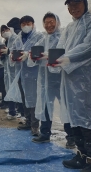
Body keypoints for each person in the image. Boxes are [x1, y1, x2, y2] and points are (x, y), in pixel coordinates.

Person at [54, 0, 91, 172]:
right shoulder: (70, 27)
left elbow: (89, 47)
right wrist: (49, 57)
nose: (73, 8)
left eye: (77, 4)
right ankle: (81, 155)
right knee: (74, 119)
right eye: (70, 5)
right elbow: (60, 48)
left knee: (87, 120)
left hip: (85, 82)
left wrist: (67, 59)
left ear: (84, 3)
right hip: (69, 81)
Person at [27, 12, 75, 149]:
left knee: (65, 108)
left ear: (57, 22)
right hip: (45, 81)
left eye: (51, 22)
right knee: (46, 106)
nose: (49, 25)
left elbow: (66, 54)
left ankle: (71, 137)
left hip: (61, 80)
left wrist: (49, 56)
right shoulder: (43, 38)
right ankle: (45, 134)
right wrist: (33, 56)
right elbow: (34, 53)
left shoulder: (63, 37)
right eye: (46, 22)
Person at [5, 15, 44, 136]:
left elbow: (40, 51)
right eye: (23, 24)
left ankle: (35, 125)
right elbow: (12, 50)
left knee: (33, 100)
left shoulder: (39, 37)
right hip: (21, 73)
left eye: (28, 23)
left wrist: (29, 54)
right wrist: (12, 56)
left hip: (34, 73)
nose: (26, 26)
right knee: (24, 98)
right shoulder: (18, 38)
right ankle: (28, 121)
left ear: (33, 24)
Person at [0, 25, 18, 114]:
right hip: (8, 71)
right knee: (9, 90)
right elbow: (4, 60)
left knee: (16, 90)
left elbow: (19, 51)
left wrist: (9, 51)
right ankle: (12, 110)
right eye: (2, 31)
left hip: (15, 70)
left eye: (6, 29)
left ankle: (19, 112)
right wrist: (2, 56)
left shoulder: (16, 39)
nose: (4, 32)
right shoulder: (5, 42)